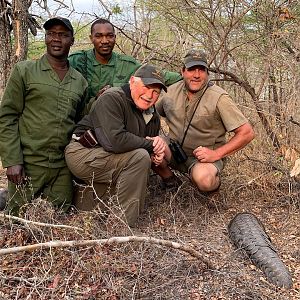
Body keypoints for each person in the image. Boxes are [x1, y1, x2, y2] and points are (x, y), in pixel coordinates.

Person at [0, 17, 88, 216]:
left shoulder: (80, 82)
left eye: (63, 35)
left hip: (61, 167)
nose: (57, 39)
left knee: (59, 218)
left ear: (72, 40)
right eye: (52, 34)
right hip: (28, 165)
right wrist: (12, 161)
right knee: (17, 219)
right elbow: (7, 116)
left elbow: (79, 123)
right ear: (46, 38)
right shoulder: (25, 71)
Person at [65, 64, 168, 227]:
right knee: (140, 157)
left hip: (109, 159)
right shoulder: (112, 97)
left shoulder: (152, 114)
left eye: (156, 92)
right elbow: (114, 141)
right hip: (82, 152)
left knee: (141, 164)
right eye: (147, 87)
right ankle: (122, 227)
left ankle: (86, 205)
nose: (150, 95)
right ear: (132, 81)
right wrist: (150, 146)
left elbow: (146, 144)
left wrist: (156, 152)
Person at [155, 49, 255, 192]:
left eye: (201, 70)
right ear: (182, 71)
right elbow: (152, 115)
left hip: (203, 160)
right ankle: (170, 180)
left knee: (204, 180)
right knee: (148, 146)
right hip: (174, 151)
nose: (196, 75)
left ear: (207, 73)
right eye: (191, 70)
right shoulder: (170, 91)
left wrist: (216, 154)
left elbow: (247, 133)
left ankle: (212, 189)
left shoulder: (219, 97)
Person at [68, 18, 181, 106]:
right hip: (81, 122)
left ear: (115, 38)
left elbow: (158, 75)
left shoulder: (127, 64)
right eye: (99, 36)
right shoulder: (77, 60)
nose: (105, 41)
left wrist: (188, 75)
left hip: (113, 123)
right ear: (91, 38)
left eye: (109, 36)